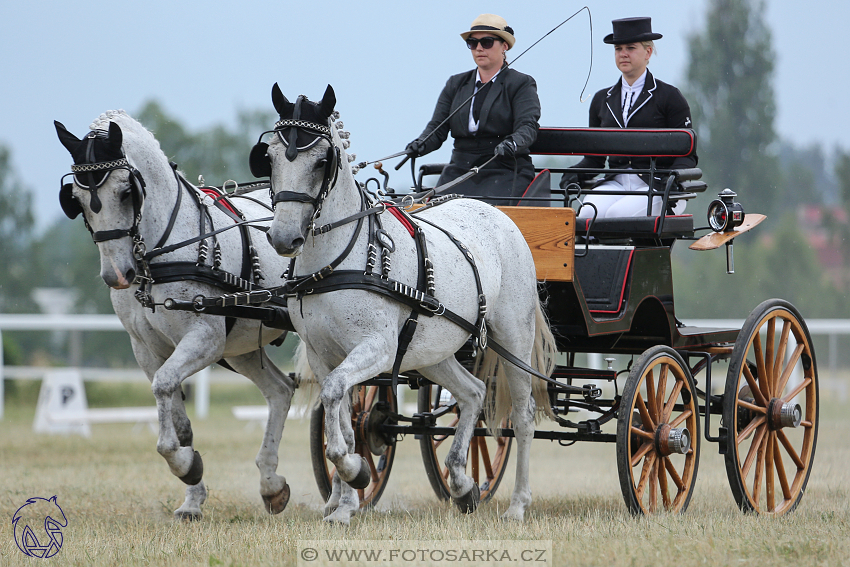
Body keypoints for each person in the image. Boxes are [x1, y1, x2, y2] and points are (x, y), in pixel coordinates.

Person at [560, 17, 697, 219]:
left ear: (648, 52)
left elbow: (687, 154)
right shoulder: (601, 100)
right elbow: (595, 159)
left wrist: (673, 180)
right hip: (616, 182)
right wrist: (574, 174)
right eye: (618, 49)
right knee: (586, 214)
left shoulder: (670, 97)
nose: (623, 54)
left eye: (630, 48)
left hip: (657, 184)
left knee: (617, 214)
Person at [405, 14, 541, 206]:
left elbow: (528, 126)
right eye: (472, 42)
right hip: (460, 170)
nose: (479, 48)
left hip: (504, 168)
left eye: (486, 42)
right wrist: (420, 144)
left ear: (504, 46)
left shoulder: (521, 83)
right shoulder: (456, 83)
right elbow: (437, 128)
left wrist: (512, 143)